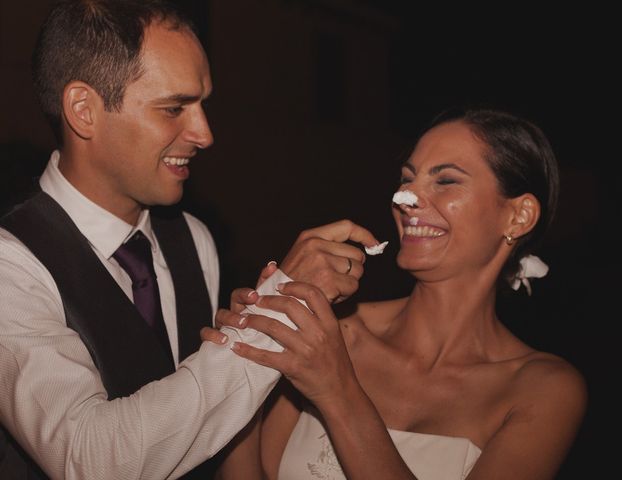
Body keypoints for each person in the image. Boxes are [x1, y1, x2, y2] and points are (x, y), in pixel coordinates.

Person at [0, 1, 379, 479]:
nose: (204, 133)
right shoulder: (10, 266)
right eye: (174, 108)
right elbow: (90, 459)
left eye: (202, 104)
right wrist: (275, 309)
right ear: (84, 111)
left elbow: (213, 437)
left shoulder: (193, 239)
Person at [209, 108, 588, 479]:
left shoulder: (543, 388)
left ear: (518, 216)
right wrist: (246, 355)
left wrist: (338, 390)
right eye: (407, 178)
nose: (405, 198)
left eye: (446, 181)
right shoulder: (335, 331)